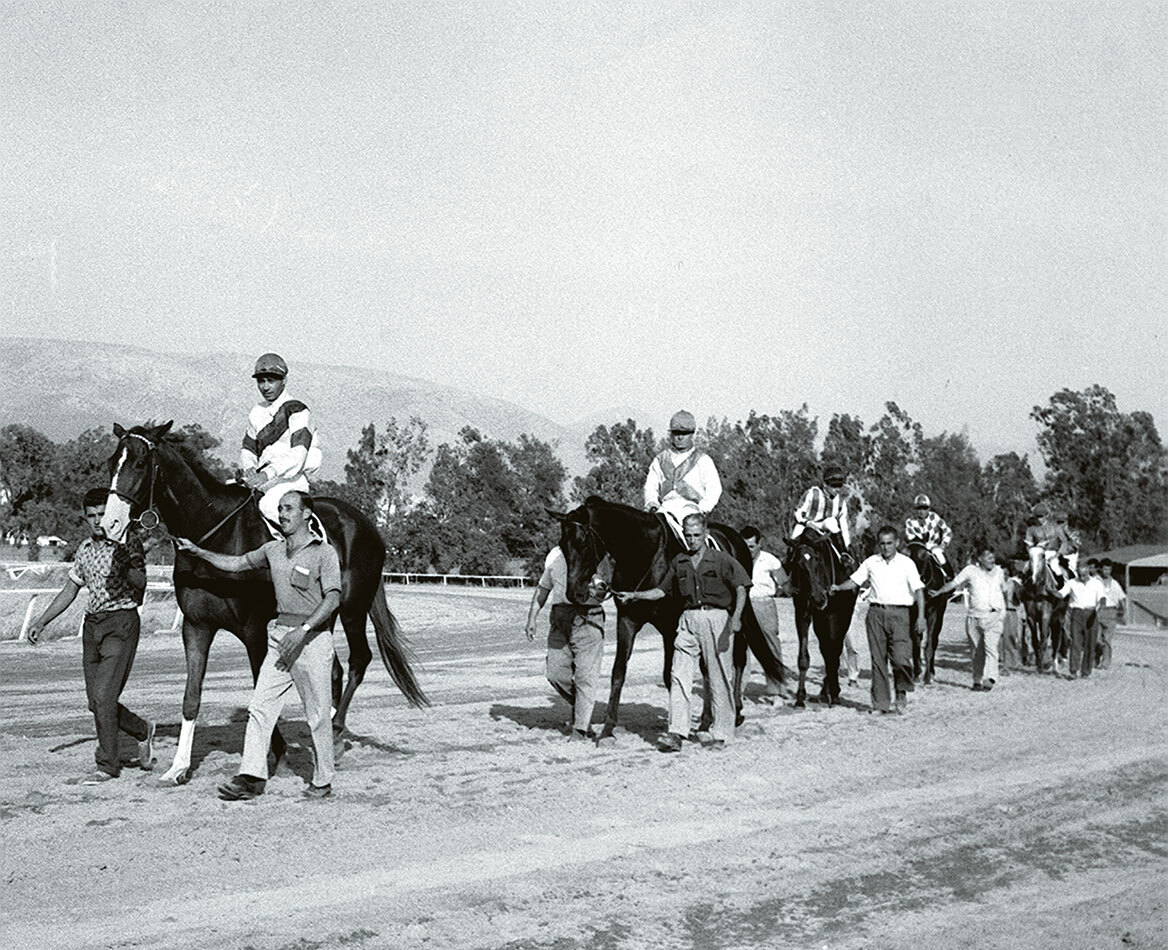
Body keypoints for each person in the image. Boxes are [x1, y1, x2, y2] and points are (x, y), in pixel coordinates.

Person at [175, 491, 340, 800]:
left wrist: (304, 630)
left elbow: (333, 598)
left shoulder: (323, 553)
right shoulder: (272, 550)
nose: (282, 513)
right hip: (279, 638)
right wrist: (198, 552)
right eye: (280, 509)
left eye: (289, 508)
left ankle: (322, 780)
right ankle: (251, 778)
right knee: (260, 708)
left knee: (317, 715)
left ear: (306, 514)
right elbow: (236, 563)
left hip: (313, 640)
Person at [27, 488, 155, 784]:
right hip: (91, 628)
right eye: (92, 516)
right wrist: (42, 621)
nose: (98, 521)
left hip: (121, 623)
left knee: (103, 696)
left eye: (102, 514)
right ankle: (141, 730)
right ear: (86, 518)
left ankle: (108, 764)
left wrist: (125, 561)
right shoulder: (84, 548)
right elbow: (71, 589)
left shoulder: (128, 543)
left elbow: (141, 585)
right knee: (96, 702)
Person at [615, 513, 749, 751]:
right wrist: (634, 595)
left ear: (706, 534)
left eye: (697, 535)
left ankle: (721, 733)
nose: (692, 540)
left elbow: (741, 587)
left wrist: (736, 618)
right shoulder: (679, 562)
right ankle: (677, 732)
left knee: (718, 678)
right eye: (688, 535)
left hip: (716, 619)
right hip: (687, 621)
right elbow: (660, 591)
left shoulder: (721, 559)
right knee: (679, 675)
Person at [830, 526, 925, 714]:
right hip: (875, 614)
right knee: (878, 660)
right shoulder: (871, 562)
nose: (886, 547)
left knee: (900, 658)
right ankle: (880, 704)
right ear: (878, 544)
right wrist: (838, 587)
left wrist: (921, 617)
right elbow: (855, 580)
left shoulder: (907, 563)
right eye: (882, 544)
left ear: (897, 543)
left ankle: (901, 692)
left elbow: (919, 590)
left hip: (900, 614)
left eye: (890, 543)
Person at [524, 546, 610, 739]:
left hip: (589, 618)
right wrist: (532, 618)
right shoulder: (555, 556)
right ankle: (581, 705)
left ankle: (580, 728)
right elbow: (543, 588)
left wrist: (599, 589)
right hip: (560, 618)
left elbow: (606, 587)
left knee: (585, 676)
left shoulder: (599, 555)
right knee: (554, 673)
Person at [241, 353, 323, 531]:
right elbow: (248, 448)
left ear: (284, 381)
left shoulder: (298, 410)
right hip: (262, 482)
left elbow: (298, 455)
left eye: (271, 381)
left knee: (269, 506)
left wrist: (266, 474)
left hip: (290, 482)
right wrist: (248, 466)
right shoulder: (257, 411)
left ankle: (298, 553)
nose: (265, 387)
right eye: (261, 381)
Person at [933, 546, 1013, 691]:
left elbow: (1004, 590)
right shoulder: (970, 571)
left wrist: (1004, 610)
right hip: (974, 617)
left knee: (991, 648)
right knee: (977, 651)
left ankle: (990, 677)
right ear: (980, 559)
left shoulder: (999, 572)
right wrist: (939, 591)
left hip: (994, 615)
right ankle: (977, 680)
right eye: (988, 558)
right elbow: (954, 583)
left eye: (993, 558)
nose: (992, 561)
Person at [643, 410, 722, 542]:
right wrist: (652, 503)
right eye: (676, 433)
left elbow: (714, 489)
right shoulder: (660, 459)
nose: (680, 437)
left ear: (692, 434)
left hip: (691, 510)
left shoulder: (703, 460)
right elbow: (650, 486)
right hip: (664, 510)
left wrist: (701, 508)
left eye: (684, 434)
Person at [741, 525, 789, 702]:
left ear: (759, 544)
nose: (748, 550)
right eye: (745, 546)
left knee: (771, 645)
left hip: (764, 604)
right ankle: (739, 689)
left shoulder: (770, 560)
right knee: (741, 647)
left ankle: (777, 691)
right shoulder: (736, 558)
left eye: (752, 546)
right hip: (744, 604)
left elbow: (784, 582)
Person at [791, 465, 852, 565]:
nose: (837, 489)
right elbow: (797, 511)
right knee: (794, 537)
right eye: (833, 486)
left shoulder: (841, 501)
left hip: (824, 528)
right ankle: (788, 566)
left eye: (839, 486)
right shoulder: (812, 493)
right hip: (807, 524)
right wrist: (806, 522)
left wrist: (847, 546)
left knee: (831, 521)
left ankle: (843, 555)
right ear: (825, 484)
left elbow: (844, 525)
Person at [1056, 563, 1105, 680]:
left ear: (1088, 572)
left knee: (1090, 643)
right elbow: (1061, 593)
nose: (1082, 577)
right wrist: (1050, 590)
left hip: (1091, 613)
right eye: (1080, 575)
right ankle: (1073, 670)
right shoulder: (1072, 583)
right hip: (1076, 614)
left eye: (1084, 575)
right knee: (1075, 643)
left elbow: (1102, 598)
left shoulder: (1096, 583)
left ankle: (1086, 672)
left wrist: (1100, 607)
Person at [903, 494, 954, 580]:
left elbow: (947, 530)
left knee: (939, 555)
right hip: (918, 548)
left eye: (924, 508)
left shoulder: (934, 517)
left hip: (933, 545)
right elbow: (910, 537)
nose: (921, 511)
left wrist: (944, 543)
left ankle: (949, 578)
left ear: (929, 509)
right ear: (915, 509)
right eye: (919, 508)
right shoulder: (910, 521)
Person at [1025, 503, 1076, 585]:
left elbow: (1064, 541)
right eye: (1037, 516)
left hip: (1052, 553)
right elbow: (1029, 544)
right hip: (1037, 553)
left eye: (1041, 516)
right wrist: (1031, 552)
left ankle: (1061, 587)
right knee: (1026, 568)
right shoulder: (1031, 529)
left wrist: (1057, 555)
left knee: (1055, 567)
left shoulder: (1056, 527)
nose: (1039, 519)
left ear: (1046, 515)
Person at [1094, 560, 1126, 670]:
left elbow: (1122, 599)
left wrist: (1124, 613)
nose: (1107, 571)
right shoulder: (1095, 582)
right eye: (1105, 569)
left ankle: (1105, 663)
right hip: (1098, 612)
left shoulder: (1115, 584)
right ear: (1101, 569)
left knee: (1107, 639)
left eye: (1109, 569)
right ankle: (1096, 657)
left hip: (1111, 612)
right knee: (1097, 639)